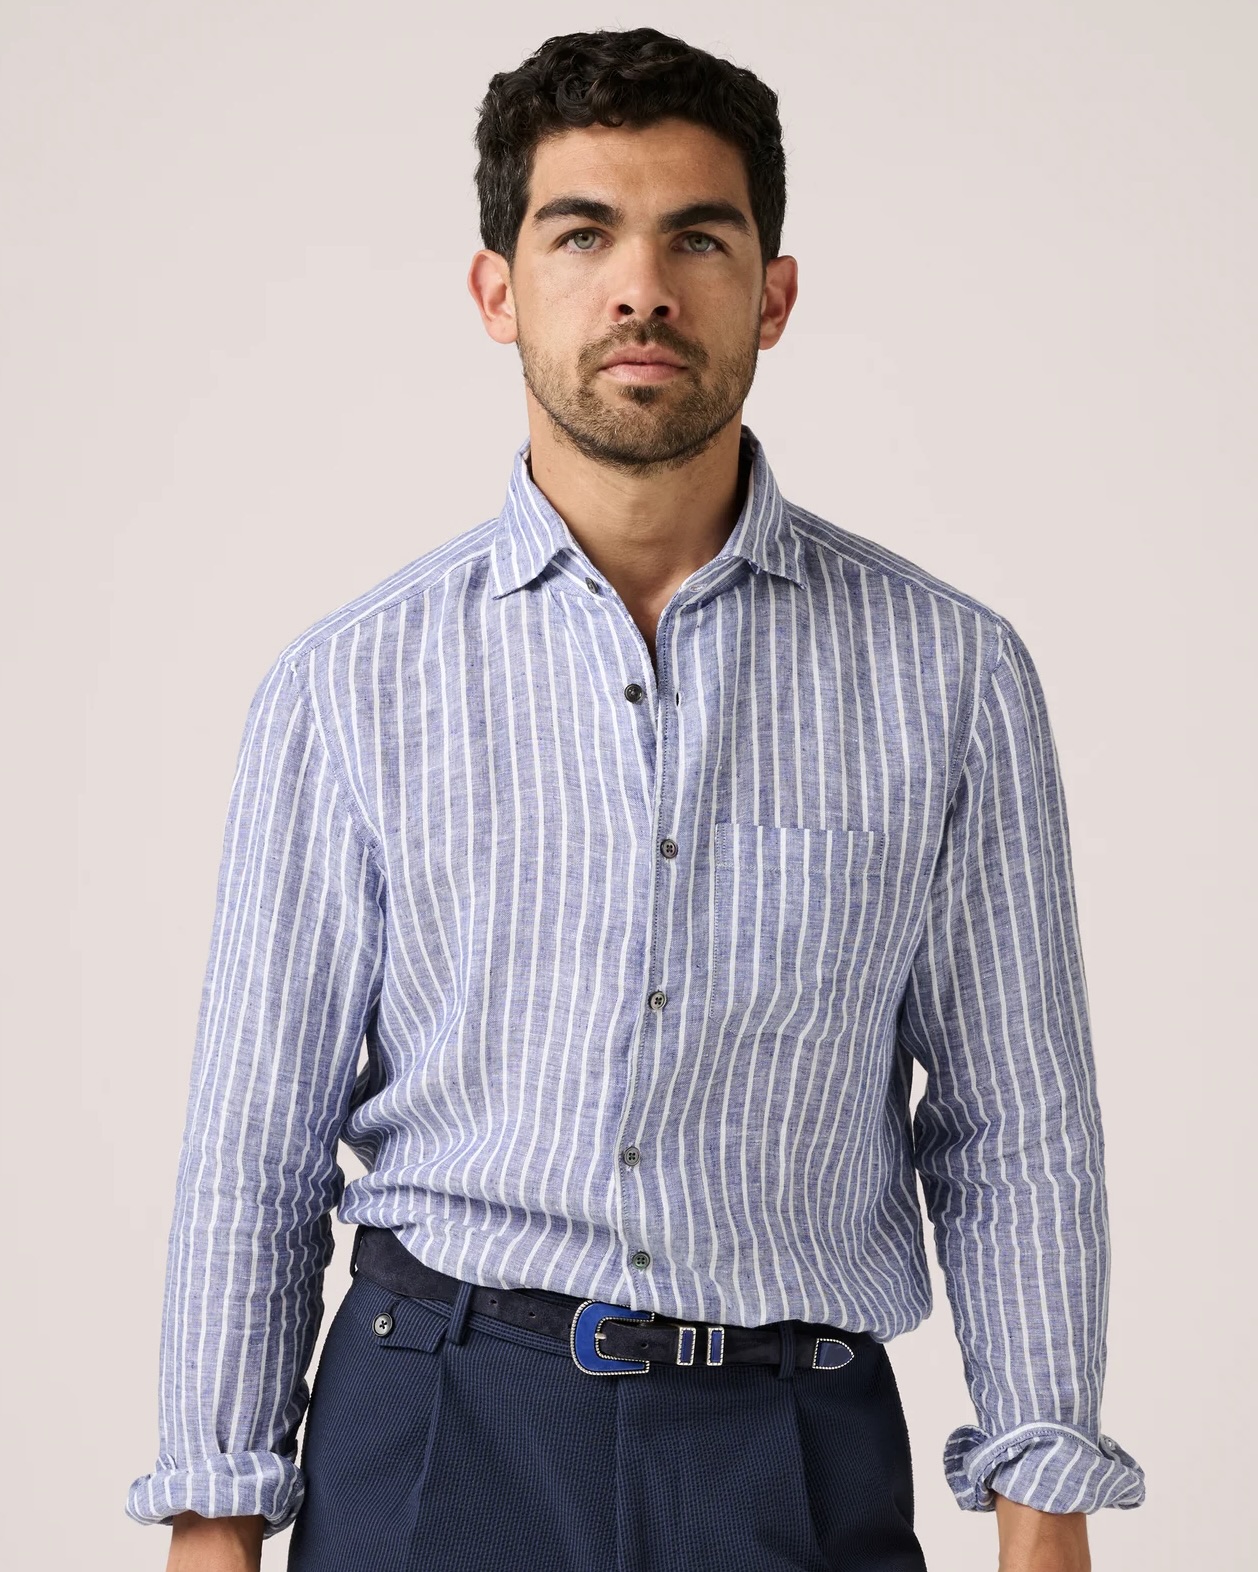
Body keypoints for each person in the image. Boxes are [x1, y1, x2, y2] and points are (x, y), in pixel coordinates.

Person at [126, 26, 1145, 1572]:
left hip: (787, 1447)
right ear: (497, 290)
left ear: (771, 294)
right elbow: (256, 1144)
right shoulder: (353, 685)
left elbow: (1012, 1124)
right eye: (582, 235)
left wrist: (1043, 1514)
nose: (640, 289)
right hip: (438, 1435)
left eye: (697, 239)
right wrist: (213, 1529)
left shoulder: (949, 675)